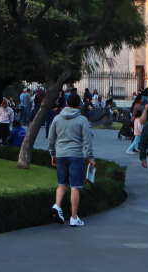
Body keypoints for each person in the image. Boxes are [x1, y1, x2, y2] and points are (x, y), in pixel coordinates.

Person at [48, 92, 95, 227]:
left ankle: (57, 205)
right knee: (75, 186)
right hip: (76, 155)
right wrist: (90, 157)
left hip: (61, 154)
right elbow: (87, 140)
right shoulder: (82, 120)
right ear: (79, 105)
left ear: (67, 103)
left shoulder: (57, 118)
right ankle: (74, 217)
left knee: (61, 184)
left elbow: (51, 138)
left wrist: (52, 153)